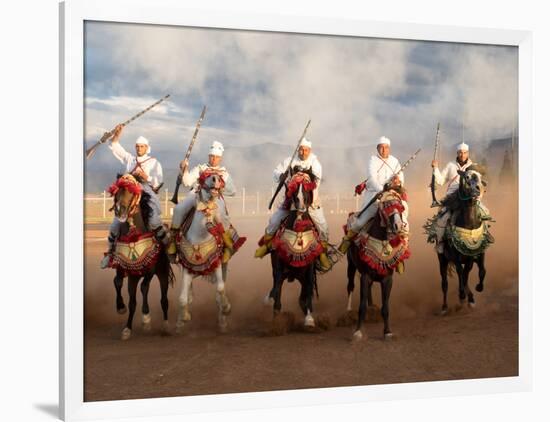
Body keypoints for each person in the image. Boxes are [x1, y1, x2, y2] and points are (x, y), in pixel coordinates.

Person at [254, 137, 331, 270]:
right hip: (290, 201)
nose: (303, 152)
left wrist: (303, 182)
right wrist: (281, 176)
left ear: (309, 150)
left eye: (306, 150)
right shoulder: (289, 161)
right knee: (274, 221)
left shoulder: (315, 163)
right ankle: (266, 246)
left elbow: (316, 183)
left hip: (310, 202)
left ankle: (322, 254)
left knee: (323, 226)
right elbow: (276, 172)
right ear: (298, 150)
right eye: (301, 149)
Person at [100, 124, 168, 269]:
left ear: (147, 148)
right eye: (137, 146)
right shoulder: (130, 159)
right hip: (128, 193)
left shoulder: (154, 162)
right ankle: (110, 253)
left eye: (142, 146)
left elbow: (158, 182)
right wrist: (117, 134)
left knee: (154, 220)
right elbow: (116, 147)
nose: (139, 149)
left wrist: (146, 176)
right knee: (115, 224)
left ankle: (169, 251)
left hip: (146, 192)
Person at [338, 136, 409, 254]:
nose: (383, 150)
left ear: (389, 148)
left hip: (392, 196)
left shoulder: (395, 161)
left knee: (403, 219)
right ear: (377, 149)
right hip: (375, 196)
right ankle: (346, 241)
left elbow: (401, 178)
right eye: (381, 147)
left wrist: (398, 182)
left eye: (386, 147)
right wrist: (382, 190)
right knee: (360, 222)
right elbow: (371, 180)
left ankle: (402, 250)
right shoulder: (372, 160)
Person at [168, 141, 235, 262]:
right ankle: (173, 241)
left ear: (220, 158)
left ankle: (226, 246)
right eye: (212, 156)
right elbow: (187, 182)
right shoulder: (201, 168)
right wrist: (185, 169)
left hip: (215, 197)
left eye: (216, 157)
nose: (214, 159)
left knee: (223, 216)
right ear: (209, 156)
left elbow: (233, 191)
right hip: (196, 194)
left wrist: (220, 186)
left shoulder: (224, 173)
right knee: (178, 209)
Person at [431, 141, 490, 253]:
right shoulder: (450, 165)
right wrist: (435, 168)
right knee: (443, 217)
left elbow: (479, 184)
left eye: (464, 152)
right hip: (452, 197)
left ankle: (485, 236)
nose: (462, 155)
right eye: (460, 153)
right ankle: (441, 242)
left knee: (485, 212)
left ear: (468, 153)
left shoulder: (473, 167)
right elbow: (440, 181)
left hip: (469, 196)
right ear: (457, 153)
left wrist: (479, 194)